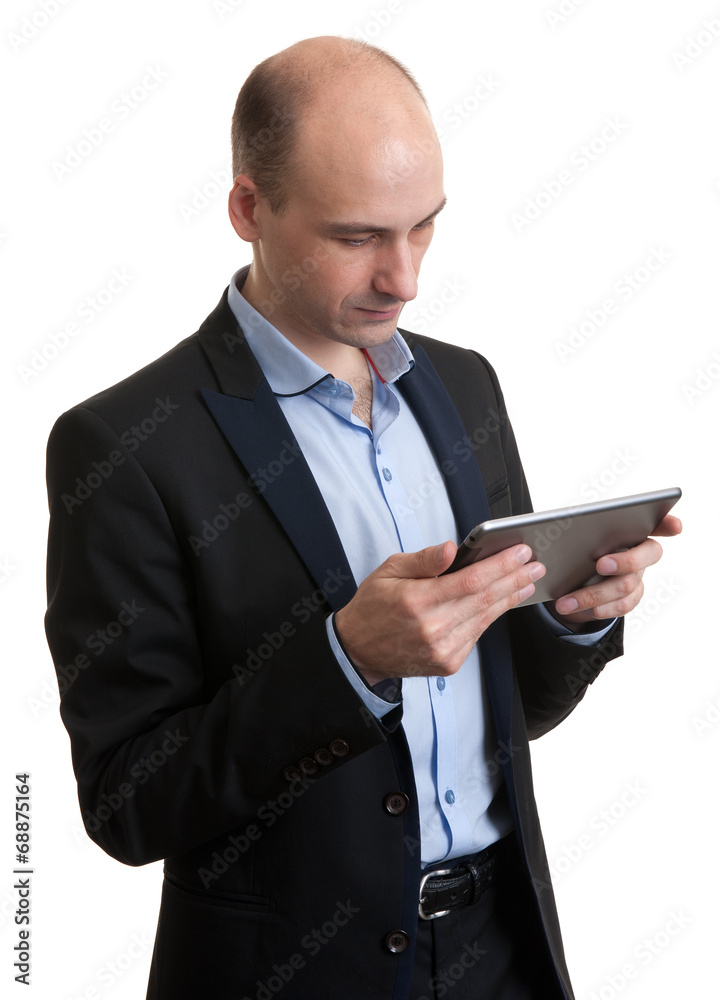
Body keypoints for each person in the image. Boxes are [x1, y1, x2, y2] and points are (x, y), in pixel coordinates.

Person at [44, 36, 680, 1000]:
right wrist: (347, 660)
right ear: (249, 209)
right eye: (357, 237)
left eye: (423, 227)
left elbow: (510, 717)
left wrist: (570, 614)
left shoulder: (464, 389)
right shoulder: (125, 448)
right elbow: (128, 804)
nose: (405, 278)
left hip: (503, 950)